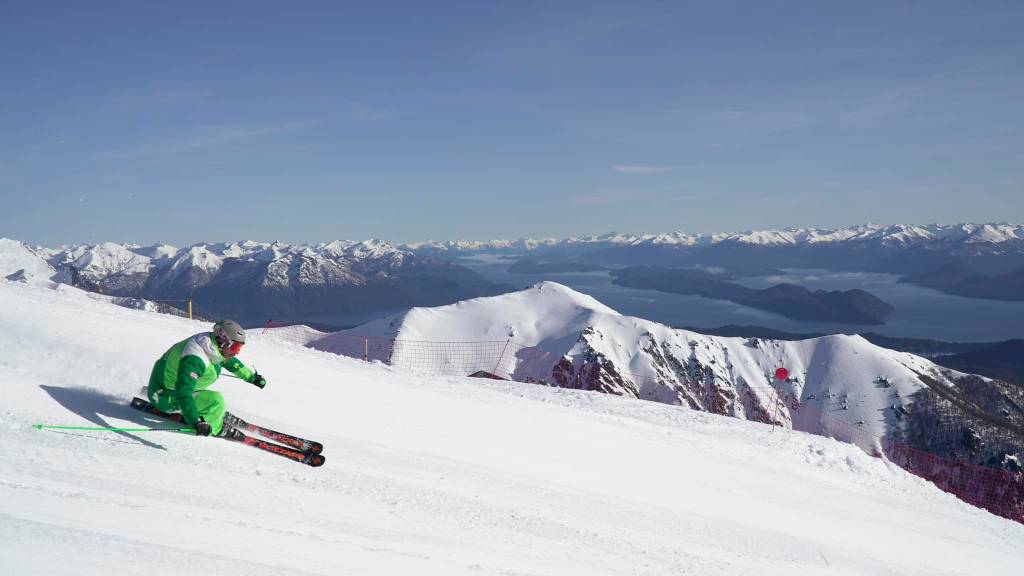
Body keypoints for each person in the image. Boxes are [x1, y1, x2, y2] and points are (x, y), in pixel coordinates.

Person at [147, 319, 266, 436]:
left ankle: (209, 410)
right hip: (164, 396)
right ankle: (217, 428)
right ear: (223, 340)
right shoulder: (195, 358)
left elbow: (229, 361)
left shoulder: (211, 344)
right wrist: (196, 422)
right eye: (234, 347)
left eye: (239, 348)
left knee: (214, 400)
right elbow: (183, 393)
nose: (236, 352)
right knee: (216, 401)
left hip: (171, 387)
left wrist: (251, 377)